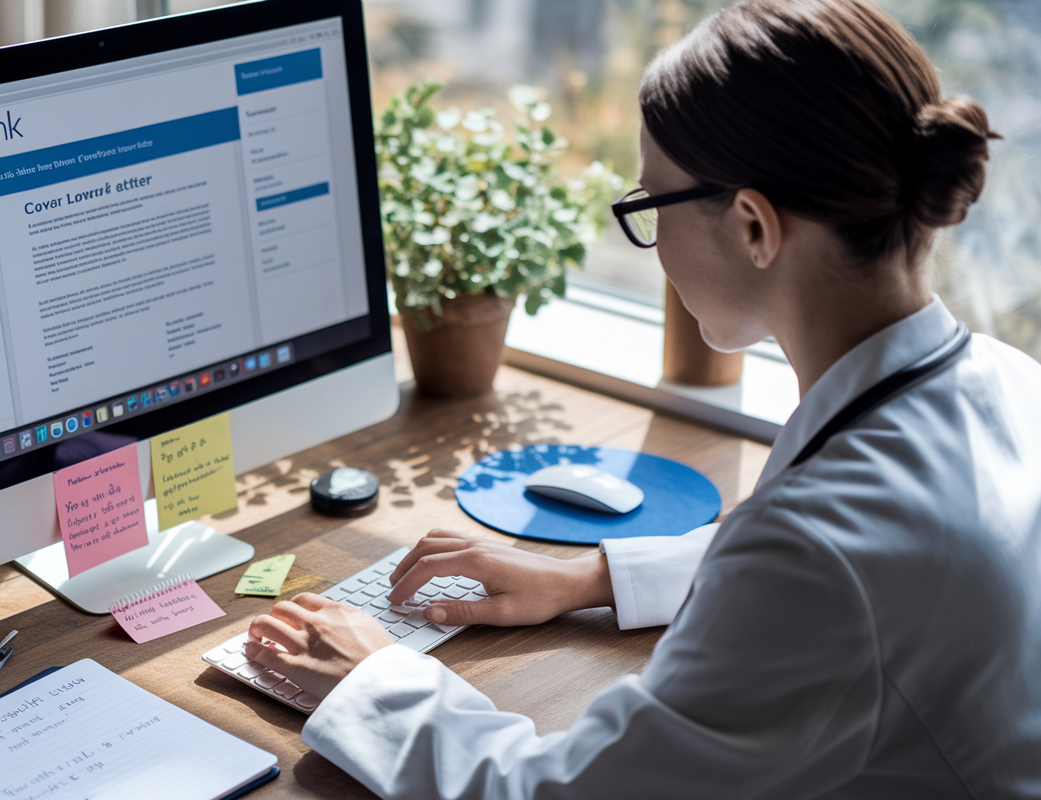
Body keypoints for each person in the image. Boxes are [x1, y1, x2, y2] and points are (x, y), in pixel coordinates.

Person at [241, 0, 1041, 795]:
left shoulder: (820, 547)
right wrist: (593, 577)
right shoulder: (1005, 382)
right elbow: (844, 581)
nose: (649, 238)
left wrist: (371, 680)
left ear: (756, 227)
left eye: (649, 205)